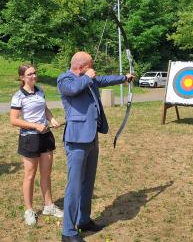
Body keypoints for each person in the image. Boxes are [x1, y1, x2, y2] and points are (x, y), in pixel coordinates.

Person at [57, 51, 134, 242]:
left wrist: (124, 77)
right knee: (74, 185)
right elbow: (73, 90)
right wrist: (88, 77)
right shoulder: (64, 78)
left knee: (88, 182)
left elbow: (104, 79)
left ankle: (83, 220)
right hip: (76, 139)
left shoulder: (88, 78)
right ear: (81, 66)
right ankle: (68, 231)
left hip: (92, 137)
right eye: (90, 65)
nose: (93, 69)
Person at [10, 64, 64, 226]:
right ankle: (29, 210)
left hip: (46, 136)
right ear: (22, 77)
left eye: (34, 73)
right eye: (29, 74)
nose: (34, 76)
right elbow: (14, 120)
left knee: (46, 174)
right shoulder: (18, 96)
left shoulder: (40, 90)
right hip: (29, 138)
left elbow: (45, 109)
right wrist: (34, 126)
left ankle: (48, 205)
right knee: (30, 175)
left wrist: (51, 119)